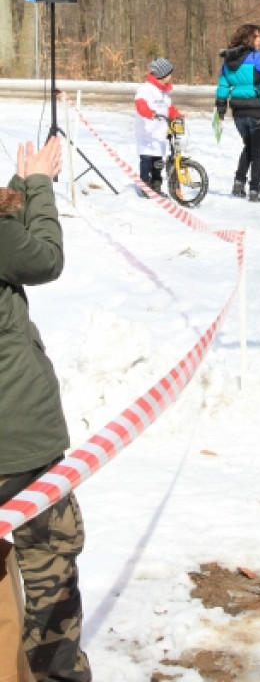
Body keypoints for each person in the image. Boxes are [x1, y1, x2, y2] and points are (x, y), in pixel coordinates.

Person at [0, 136, 92, 681]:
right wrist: (37, 187)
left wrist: (18, 189)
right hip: (19, 443)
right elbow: (41, 259)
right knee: (48, 571)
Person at [215, 23, 260, 202]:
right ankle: (254, 190)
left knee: (249, 147)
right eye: (257, 36)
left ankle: (239, 183)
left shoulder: (227, 61)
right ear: (248, 39)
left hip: (238, 113)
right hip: (257, 111)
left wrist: (220, 111)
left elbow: (223, 87)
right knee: (257, 152)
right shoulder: (255, 58)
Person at [134, 57, 183, 195]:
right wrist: (150, 113)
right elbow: (140, 104)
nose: (171, 77)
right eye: (169, 74)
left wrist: (177, 114)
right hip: (146, 133)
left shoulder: (164, 91)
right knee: (147, 161)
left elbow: (168, 108)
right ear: (161, 74)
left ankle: (156, 185)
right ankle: (145, 185)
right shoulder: (145, 89)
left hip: (159, 133)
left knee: (158, 162)